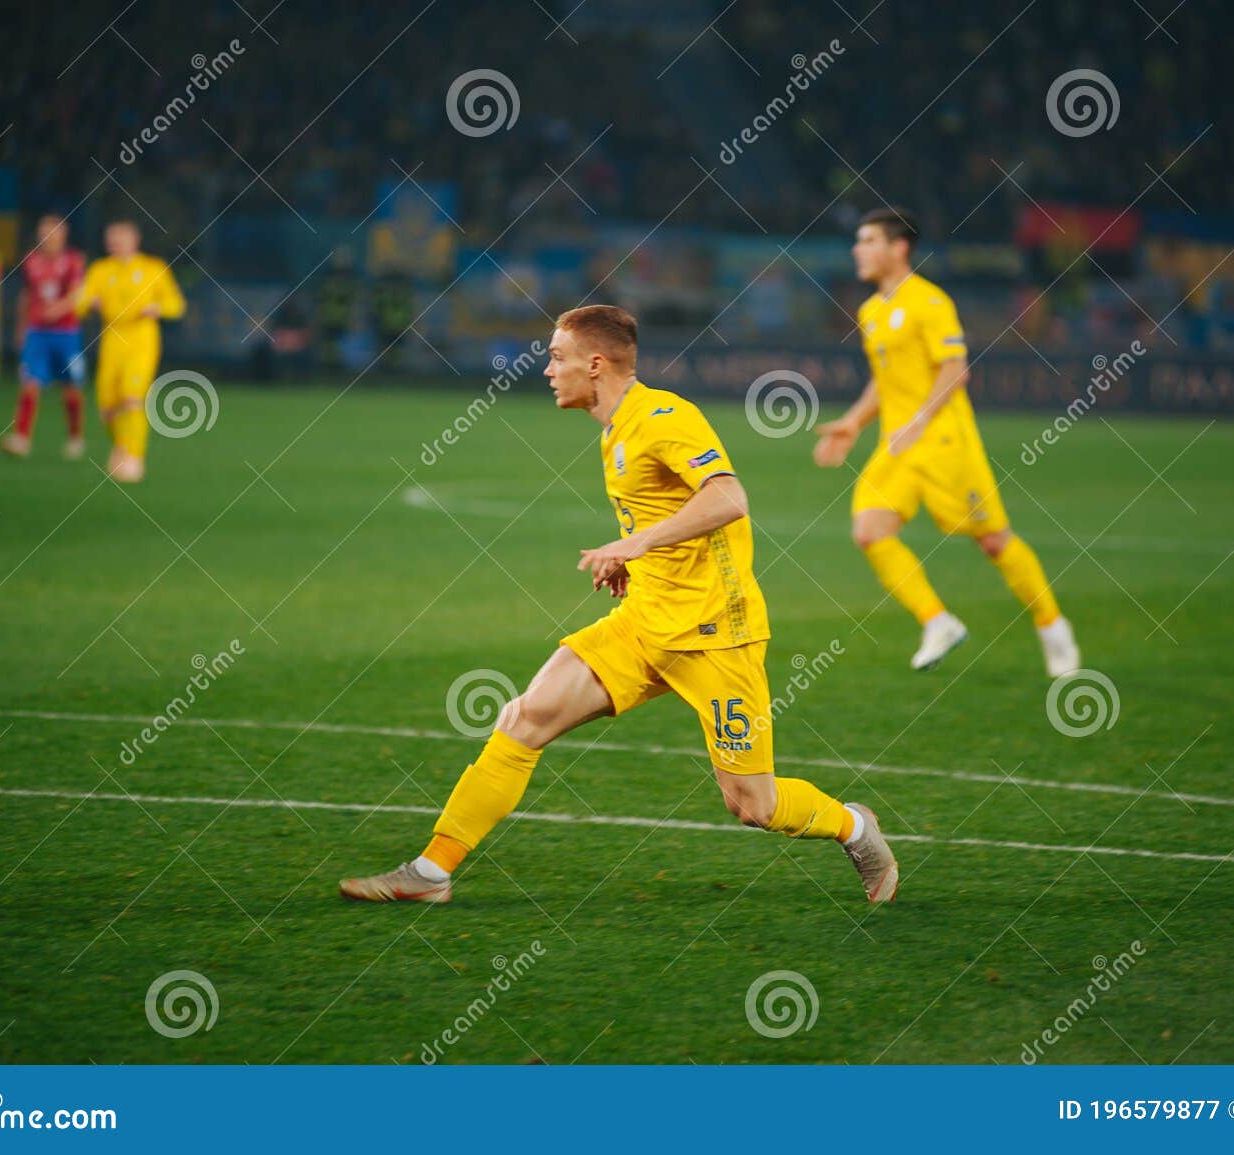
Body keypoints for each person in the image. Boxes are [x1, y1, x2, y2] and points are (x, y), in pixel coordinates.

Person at [340, 305, 898, 905]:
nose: (548, 370)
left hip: (714, 635)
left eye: (557, 357)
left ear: (596, 364)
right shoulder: (616, 430)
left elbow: (730, 498)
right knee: (524, 719)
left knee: (753, 806)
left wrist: (632, 543)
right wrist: (637, 561)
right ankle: (432, 872)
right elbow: (673, 516)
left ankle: (857, 829)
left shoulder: (663, 417)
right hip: (643, 622)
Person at [814, 208, 1080, 677]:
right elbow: (886, 379)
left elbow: (955, 370)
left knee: (994, 541)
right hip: (897, 445)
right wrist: (854, 422)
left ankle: (1052, 625)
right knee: (869, 532)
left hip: (943, 441)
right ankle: (938, 622)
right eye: (858, 241)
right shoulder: (871, 310)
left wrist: (919, 420)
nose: (859, 249)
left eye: (869, 240)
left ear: (899, 248)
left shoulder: (930, 303)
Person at [72, 220, 186, 482]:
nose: (114, 244)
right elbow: (80, 302)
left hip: (141, 339)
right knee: (107, 406)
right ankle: (122, 446)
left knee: (132, 398)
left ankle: (135, 458)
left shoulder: (152, 268)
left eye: (119, 239)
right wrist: (88, 302)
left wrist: (158, 308)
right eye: (110, 239)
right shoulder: (101, 270)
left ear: (134, 240)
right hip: (112, 339)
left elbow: (176, 304)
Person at [0, 214, 86, 460]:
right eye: (44, 233)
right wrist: (21, 327)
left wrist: (58, 309)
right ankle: (22, 438)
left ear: (63, 235)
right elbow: (26, 295)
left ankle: (75, 437)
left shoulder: (73, 261)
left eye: (53, 233)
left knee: (71, 389)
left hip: (66, 334)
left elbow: (77, 294)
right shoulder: (30, 261)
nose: (47, 238)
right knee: (30, 383)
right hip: (37, 333)